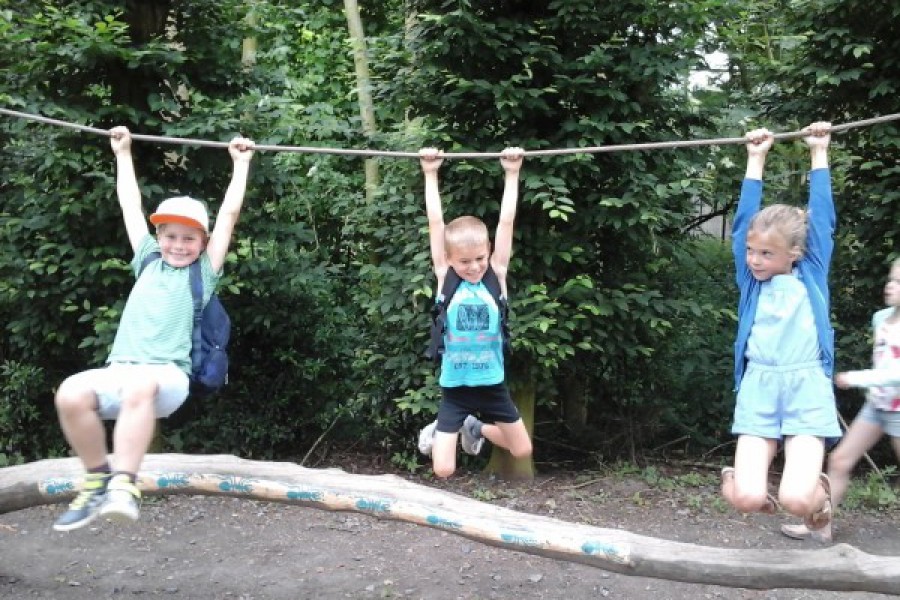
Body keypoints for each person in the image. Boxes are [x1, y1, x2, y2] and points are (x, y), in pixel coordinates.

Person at [52, 126, 254, 531]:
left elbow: (229, 214)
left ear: (203, 241)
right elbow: (130, 204)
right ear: (158, 237)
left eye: (188, 239)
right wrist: (122, 154)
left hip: (167, 378)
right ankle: (97, 479)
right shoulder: (146, 260)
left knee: (142, 384)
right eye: (170, 236)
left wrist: (241, 164)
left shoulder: (203, 271)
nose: (178, 245)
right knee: (70, 392)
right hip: (119, 371)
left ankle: (125, 486)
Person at [721, 122, 841, 535]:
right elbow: (741, 226)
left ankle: (820, 499)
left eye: (766, 253)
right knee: (748, 499)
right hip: (759, 385)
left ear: (795, 253)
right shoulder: (750, 283)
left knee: (794, 500)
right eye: (752, 252)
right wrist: (756, 158)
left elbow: (822, 218)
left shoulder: (811, 272)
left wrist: (818, 152)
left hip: (806, 385)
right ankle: (733, 478)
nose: (754, 260)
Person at [415, 146, 533, 478]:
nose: (474, 266)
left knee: (522, 449)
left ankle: (475, 429)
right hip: (455, 386)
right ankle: (449, 427)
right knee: (443, 470)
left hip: (492, 384)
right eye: (465, 261)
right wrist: (430, 172)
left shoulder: (496, 276)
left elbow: (506, 221)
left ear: (488, 252)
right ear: (451, 260)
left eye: (479, 258)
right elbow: (435, 222)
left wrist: (512, 172)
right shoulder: (446, 278)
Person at [781, 257, 900, 542]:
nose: (890, 286)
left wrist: (855, 378)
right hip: (877, 407)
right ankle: (820, 526)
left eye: (899, 283)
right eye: (891, 279)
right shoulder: (881, 319)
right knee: (840, 460)